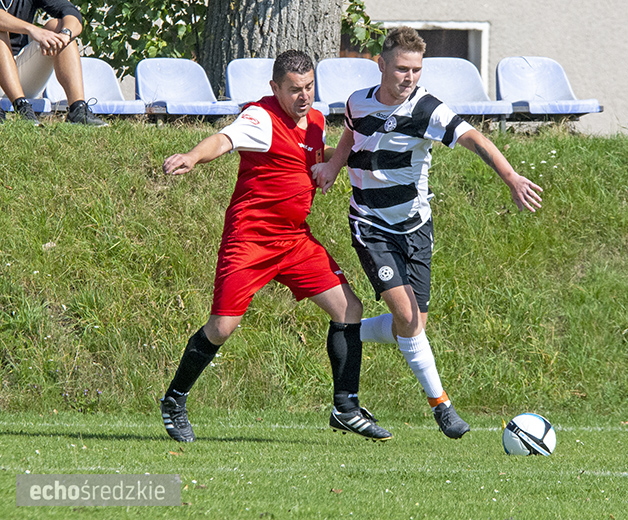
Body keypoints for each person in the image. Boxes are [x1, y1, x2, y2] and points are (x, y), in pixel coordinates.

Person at [311, 27, 543, 439]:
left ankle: (350, 331)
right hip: (370, 223)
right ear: (381, 64)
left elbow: (473, 138)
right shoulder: (357, 102)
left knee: (414, 323)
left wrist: (510, 177)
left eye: (416, 70)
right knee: (406, 317)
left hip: (415, 227)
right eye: (402, 68)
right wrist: (333, 164)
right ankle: (443, 407)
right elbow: (350, 134)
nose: (409, 77)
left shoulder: (429, 109)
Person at [159, 50, 391, 443]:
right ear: (275, 88)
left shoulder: (316, 120)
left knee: (349, 308)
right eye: (294, 89)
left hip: (295, 240)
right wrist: (193, 156)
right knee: (221, 327)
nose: (304, 96)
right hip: (250, 239)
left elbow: (320, 155)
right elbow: (224, 139)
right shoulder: (261, 117)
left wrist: (346, 160)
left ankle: (346, 408)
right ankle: (174, 400)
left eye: (309, 87)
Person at [0, 1, 106, 125]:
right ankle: (21, 107)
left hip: (18, 74)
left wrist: (65, 35)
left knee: (58, 27)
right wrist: (32, 29)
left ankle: (78, 109)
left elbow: (70, 11)